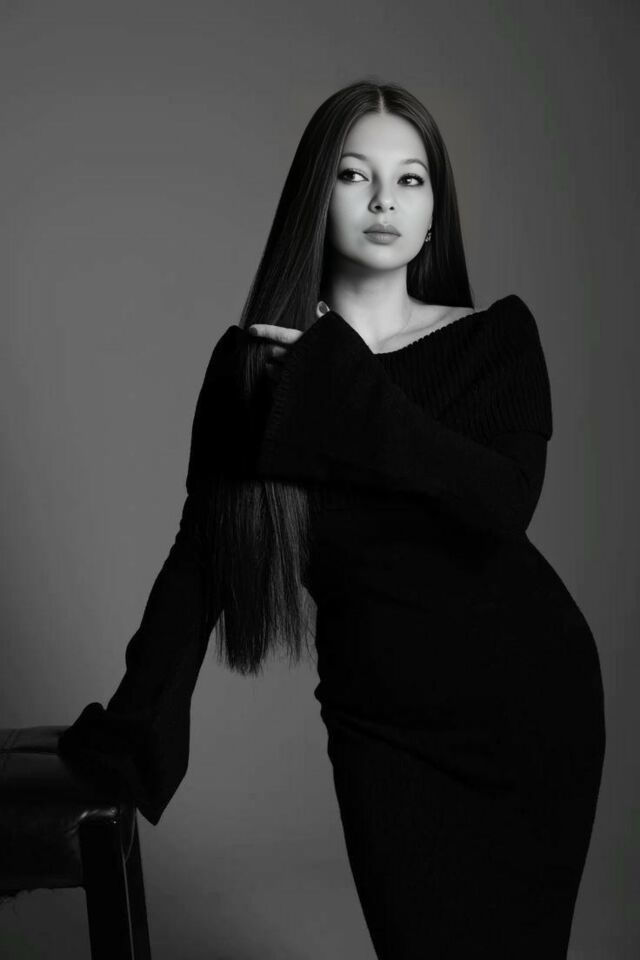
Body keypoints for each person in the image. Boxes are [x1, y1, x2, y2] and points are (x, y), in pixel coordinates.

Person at [58, 79, 606, 958]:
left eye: (411, 179)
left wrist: (346, 387)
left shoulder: (496, 339)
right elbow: (201, 556)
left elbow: (503, 502)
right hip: (380, 725)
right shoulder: (254, 368)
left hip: (529, 708)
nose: (385, 200)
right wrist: (134, 727)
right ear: (318, 194)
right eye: (355, 175)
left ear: (434, 214)